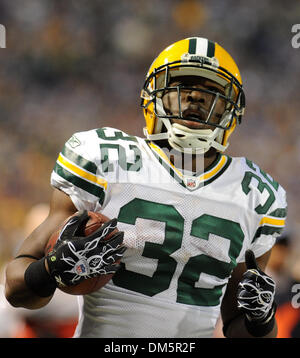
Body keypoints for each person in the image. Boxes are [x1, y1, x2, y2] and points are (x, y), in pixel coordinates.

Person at [5, 37, 287, 338]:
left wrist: (261, 320)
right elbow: (15, 288)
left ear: (231, 111)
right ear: (153, 95)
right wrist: (51, 269)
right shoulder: (104, 160)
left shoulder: (255, 195)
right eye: (183, 85)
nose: (195, 97)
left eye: (211, 91)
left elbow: (238, 326)